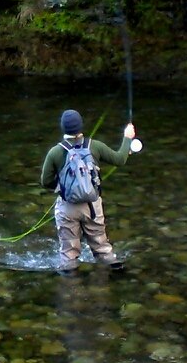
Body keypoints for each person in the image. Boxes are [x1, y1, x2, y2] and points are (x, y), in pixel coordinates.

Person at [38, 109, 135, 274]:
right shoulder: (95, 146)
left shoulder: (55, 152)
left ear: (63, 128)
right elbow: (120, 159)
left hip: (68, 207)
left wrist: (63, 188)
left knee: (69, 253)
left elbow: (45, 182)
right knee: (102, 247)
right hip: (92, 206)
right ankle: (114, 272)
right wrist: (127, 138)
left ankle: (71, 285)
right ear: (81, 126)